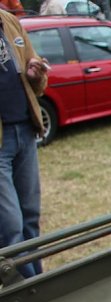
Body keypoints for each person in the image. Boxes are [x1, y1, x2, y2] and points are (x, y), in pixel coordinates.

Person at [0, 9, 49, 279]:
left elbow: (38, 84)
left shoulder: (10, 22)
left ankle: (39, 281)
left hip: (25, 130)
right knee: (10, 226)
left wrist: (35, 74)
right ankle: (30, 290)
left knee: (30, 217)